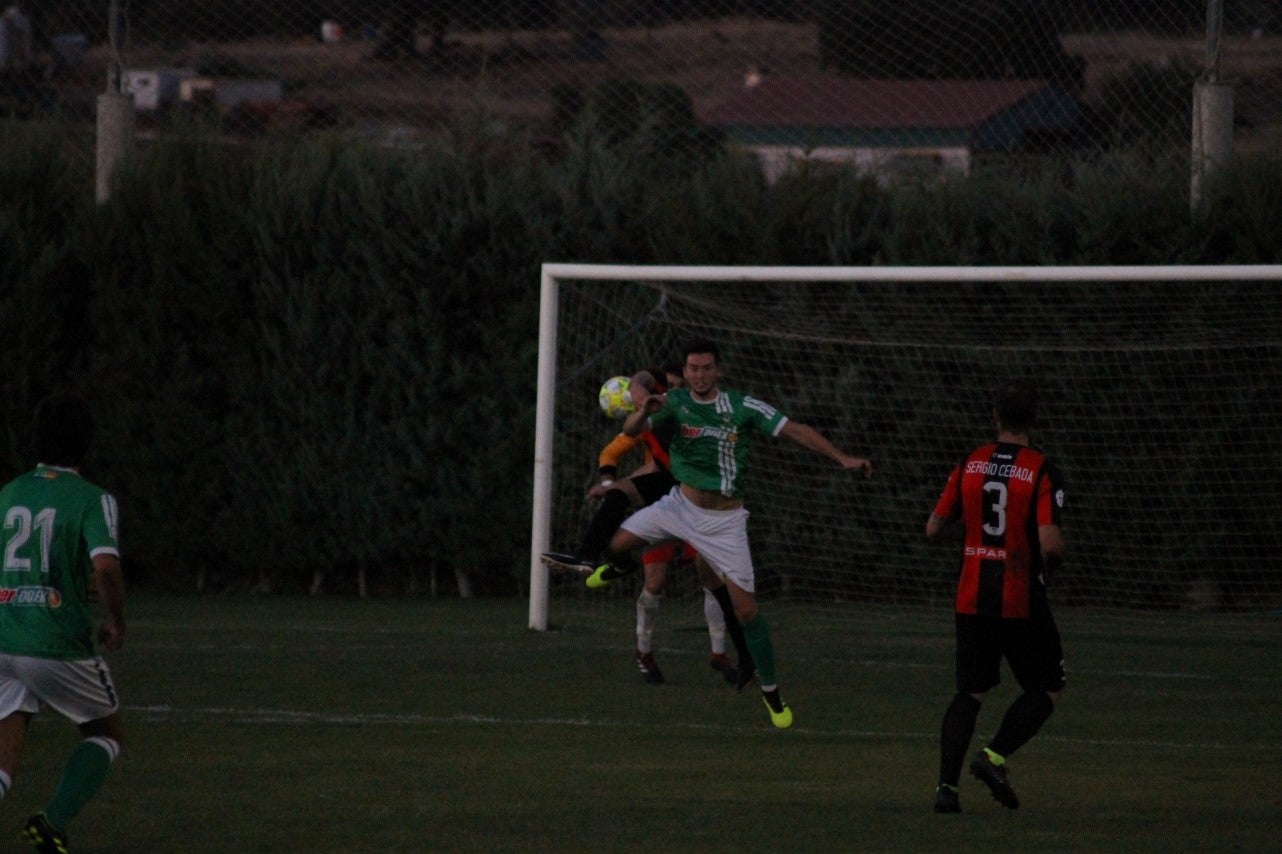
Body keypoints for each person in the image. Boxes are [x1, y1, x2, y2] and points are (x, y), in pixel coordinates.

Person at [602, 338, 873, 729]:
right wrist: (643, 406)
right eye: (693, 368)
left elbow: (794, 430)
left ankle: (771, 692)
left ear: (718, 370)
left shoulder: (742, 406)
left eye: (706, 368)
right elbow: (631, 429)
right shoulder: (675, 403)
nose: (699, 375)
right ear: (686, 371)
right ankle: (615, 570)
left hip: (725, 523)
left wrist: (842, 457)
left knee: (746, 611)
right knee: (614, 544)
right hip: (680, 506)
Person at [544, 365, 753, 688]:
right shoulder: (651, 415)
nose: (671, 392)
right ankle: (642, 649)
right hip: (667, 505)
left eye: (677, 386)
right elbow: (618, 447)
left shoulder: (694, 418)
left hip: (703, 508)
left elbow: (667, 464)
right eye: (667, 385)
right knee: (654, 581)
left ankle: (723, 654)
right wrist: (610, 480)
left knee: (714, 580)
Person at [925, 380, 1066, 813]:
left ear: (996, 419)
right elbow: (1050, 543)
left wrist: (973, 542)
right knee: (1049, 688)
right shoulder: (1041, 469)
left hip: (971, 597)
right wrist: (1049, 565)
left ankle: (946, 790)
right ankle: (992, 757)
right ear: (1034, 420)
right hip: (1020, 597)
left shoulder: (970, 462)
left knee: (971, 692)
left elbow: (932, 528)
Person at [0, 393, 126, 852]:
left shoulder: (9, 493)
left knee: (3, 758)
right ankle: (53, 821)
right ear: (87, 443)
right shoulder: (92, 499)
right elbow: (107, 567)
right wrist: (116, 621)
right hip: (55, 642)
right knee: (106, 734)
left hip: (3, 636)